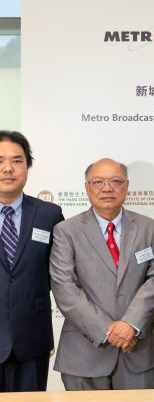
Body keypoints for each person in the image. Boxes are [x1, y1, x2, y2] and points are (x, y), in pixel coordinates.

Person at [49, 158, 154, 390]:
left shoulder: (148, 227)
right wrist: (108, 331)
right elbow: (64, 286)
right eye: (98, 182)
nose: (107, 188)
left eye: (115, 181)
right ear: (86, 187)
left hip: (139, 350)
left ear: (126, 185)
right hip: (84, 352)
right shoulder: (66, 231)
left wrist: (130, 325)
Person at [0, 131, 63, 392]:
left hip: (32, 338)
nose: (8, 169)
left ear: (27, 166)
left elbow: (60, 272)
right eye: (0, 160)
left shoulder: (49, 214)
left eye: (17, 160)